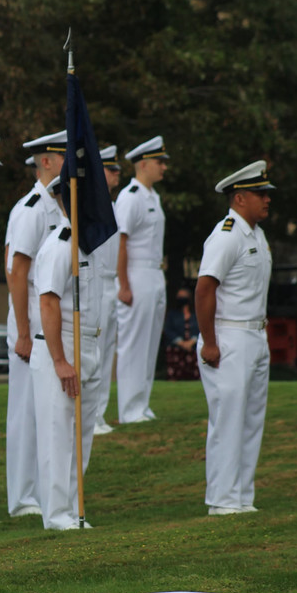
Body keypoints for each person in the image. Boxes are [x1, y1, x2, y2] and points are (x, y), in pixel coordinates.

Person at [196, 161, 273, 515]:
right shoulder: (227, 234)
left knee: (251, 419)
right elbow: (204, 288)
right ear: (240, 197)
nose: (267, 200)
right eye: (261, 194)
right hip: (228, 336)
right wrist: (209, 341)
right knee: (228, 420)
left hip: (255, 335)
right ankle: (221, 500)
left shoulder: (255, 233)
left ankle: (242, 495)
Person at [30, 176, 102, 530]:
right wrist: (60, 360)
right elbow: (48, 301)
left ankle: (75, 511)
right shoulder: (60, 244)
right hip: (62, 346)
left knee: (81, 438)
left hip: (88, 343)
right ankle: (58, 516)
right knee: (59, 436)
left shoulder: (87, 243)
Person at [5, 130, 67, 518]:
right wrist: (24, 332)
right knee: (26, 410)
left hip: (46, 314)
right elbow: (16, 270)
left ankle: (44, 493)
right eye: (64, 157)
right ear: (45, 161)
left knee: (47, 409)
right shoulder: (31, 208)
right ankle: (22, 496)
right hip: (29, 314)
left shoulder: (58, 206)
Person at [115, 136, 168, 424]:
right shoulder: (130, 196)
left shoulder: (152, 196)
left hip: (153, 273)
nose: (164, 167)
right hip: (135, 273)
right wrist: (123, 284)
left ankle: (142, 404)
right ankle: (129, 409)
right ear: (143, 164)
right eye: (160, 162)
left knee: (148, 344)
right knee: (133, 343)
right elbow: (120, 242)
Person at [91, 145, 122, 435]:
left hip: (111, 282)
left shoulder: (112, 206)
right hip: (96, 282)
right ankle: (92, 414)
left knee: (109, 349)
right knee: (96, 351)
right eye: (111, 169)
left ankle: (100, 412)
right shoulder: (90, 204)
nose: (117, 175)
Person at [163, 285, 200, 381]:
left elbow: (201, 328)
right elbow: (168, 330)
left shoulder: (196, 313)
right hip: (176, 348)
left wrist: (192, 341)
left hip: (193, 347)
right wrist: (180, 342)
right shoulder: (172, 314)